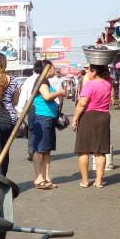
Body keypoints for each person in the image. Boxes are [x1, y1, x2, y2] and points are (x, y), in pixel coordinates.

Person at [28, 59, 68, 189]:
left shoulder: (45, 81)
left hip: (48, 118)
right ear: (46, 69)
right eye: (52, 68)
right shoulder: (42, 81)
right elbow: (46, 96)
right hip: (42, 118)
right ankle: (39, 178)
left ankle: (46, 177)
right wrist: (60, 93)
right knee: (40, 149)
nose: (53, 70)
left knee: (46, 150)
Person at [71, 63, 113, 187]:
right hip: (104, 116)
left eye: (89, 70)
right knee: (100, 151)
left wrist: (75, 118)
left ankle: (85, 181)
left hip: (89, 116)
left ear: (94, 72)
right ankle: (99, 181)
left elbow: (82, 103)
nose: (87, 73)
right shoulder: (107, 84)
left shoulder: (90, 84)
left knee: (83, 150)